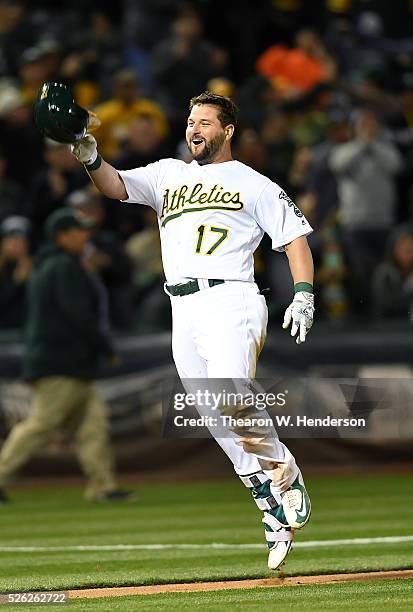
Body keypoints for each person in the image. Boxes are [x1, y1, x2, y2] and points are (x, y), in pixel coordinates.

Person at [70, 91, 315, 570]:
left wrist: (303, 292)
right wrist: (89, 154)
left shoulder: (252, 182)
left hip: (231, 297)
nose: (194, 128)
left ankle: (283, 468)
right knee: (215, 415)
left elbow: (294, 237)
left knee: (229, 394)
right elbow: (115, 186)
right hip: (182, 307)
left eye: (205, 121)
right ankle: (268, 502)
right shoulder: (168, 173)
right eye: (190, 121)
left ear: (227, 131)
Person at [0, 208, 132, 503]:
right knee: (41, 424)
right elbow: (77, 314)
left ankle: (103, 486)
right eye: (79, 230)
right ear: (63, 235)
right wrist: (104, 346)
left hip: (69, 362)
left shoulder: (49, 264)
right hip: (59, 362)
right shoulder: (63, 266)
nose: (85, 235)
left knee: (93, 425)